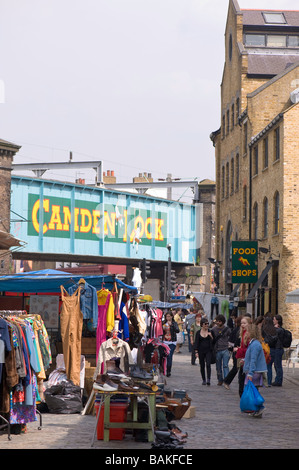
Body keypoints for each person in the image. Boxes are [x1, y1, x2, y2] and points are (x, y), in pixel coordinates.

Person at [243, 323, 267, 417]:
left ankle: (259, 407)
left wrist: (250, 373)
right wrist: (245, 360)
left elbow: (254, 360)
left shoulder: (255, 345)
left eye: (248, 331)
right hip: (253, 370)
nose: (246, 333)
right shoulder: (253, 343)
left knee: (253, 391)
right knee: (253, 391)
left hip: (254, 371)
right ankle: (256, 409)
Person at [223, 315, 242, 390]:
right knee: (236, 367)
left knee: (240, 368)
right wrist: (236, 347)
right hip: (237, 351)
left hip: (241, 351)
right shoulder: (236, 331)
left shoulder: (242, 331)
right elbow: (230, 342)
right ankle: (227, 381)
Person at [212, 314, 231, 386]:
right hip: (217, 350)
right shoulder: (213, 329)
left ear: (223, 322)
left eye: (219, 321)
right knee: (218, 366)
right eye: (217, 321)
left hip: (225, 349)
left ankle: (226, 380)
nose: (218, 322)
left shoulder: (227, 329)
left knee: (225, 365)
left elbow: (231, 337)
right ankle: (220, 379)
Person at [235, 315, 252, 397]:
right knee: (241, 378)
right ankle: (242, 394)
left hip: (246, 359)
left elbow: (249, 349)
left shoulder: (249, 335)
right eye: (241, 323)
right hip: (242, 358)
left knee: (244, 378)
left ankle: (244, 395)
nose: (242, 325)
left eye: (244, 323)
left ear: (249, 324)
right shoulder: (243, 333)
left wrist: (238, 350)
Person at [194, 318, 213, 385]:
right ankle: (204, 379)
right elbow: (196, 343)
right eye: (205, 324)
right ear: (202, 324)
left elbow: (214, 342)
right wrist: (196, 352)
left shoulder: (210, 332)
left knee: (208, 364)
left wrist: (211, 336)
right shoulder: (198, 333)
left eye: (208, 324)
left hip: (208, 350)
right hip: (201, 351)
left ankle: (208, 379)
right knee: (202, 365)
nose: (207, 325)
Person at [268, 314, 285, 386]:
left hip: (278, 349)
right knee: (276, 365)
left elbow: (274, 338)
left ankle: (278, 381)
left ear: (277, 320)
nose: (273, 320)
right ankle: (277, 380)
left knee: (278, 365)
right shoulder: (280, 329)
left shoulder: (279, 330)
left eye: (274, 319)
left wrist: (274, 329)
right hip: (277, 349)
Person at [162, 311, 180, 377]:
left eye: (169, 316)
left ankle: (168, 371)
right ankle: (164, 368)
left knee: (169, 356)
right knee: (164, 356)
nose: (168, 318)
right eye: (167, 316)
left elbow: (177, 330)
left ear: (172, 316)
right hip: (164, 341)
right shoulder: (163, 323)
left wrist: (171, 325)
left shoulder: (174, 323)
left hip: (172, 342)